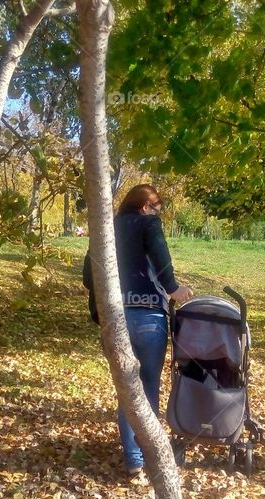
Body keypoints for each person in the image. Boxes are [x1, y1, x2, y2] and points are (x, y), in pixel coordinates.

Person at [82, 184, 194, 475]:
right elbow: (160, 256)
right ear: (146, 207)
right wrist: (174, 289)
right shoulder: (148, 223)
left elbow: (86, 275)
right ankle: (150, 456)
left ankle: (133, 460)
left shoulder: (105, 228)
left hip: (113, 319)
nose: (158, 214)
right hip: (148, 317)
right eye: (158, 208)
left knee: (127, 390)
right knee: (148, 388)